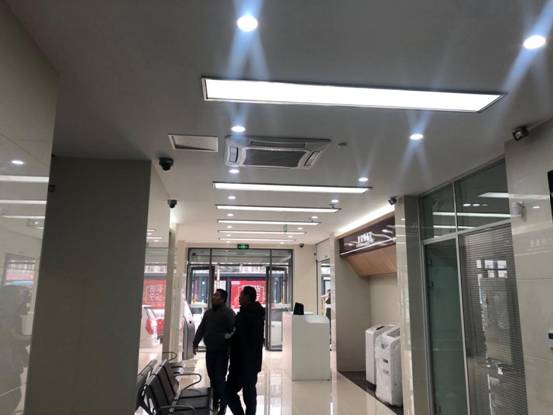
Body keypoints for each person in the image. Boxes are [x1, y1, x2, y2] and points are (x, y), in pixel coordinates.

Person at [193, 289, 235, 414]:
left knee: (220, 378)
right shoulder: (208, 313)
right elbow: (201, 328)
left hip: (222, 352)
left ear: (222, 299)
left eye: (216, 295)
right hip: (210, 351)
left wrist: (228, 344)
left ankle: (223, 406)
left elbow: (233, 331)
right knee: (212, 378)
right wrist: (195, 342)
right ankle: (215, 403)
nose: (213, 297)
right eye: (214, 295)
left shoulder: (228, 313)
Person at [226, 286, 265, 415]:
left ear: (247, 297)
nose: (239, 297)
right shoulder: (255, 314)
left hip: (242, 362)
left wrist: (228, 339)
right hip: (252, 362)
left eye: (241, 295)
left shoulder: (246, 316)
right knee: (249, 394)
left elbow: (241, 339)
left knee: (230, 391)